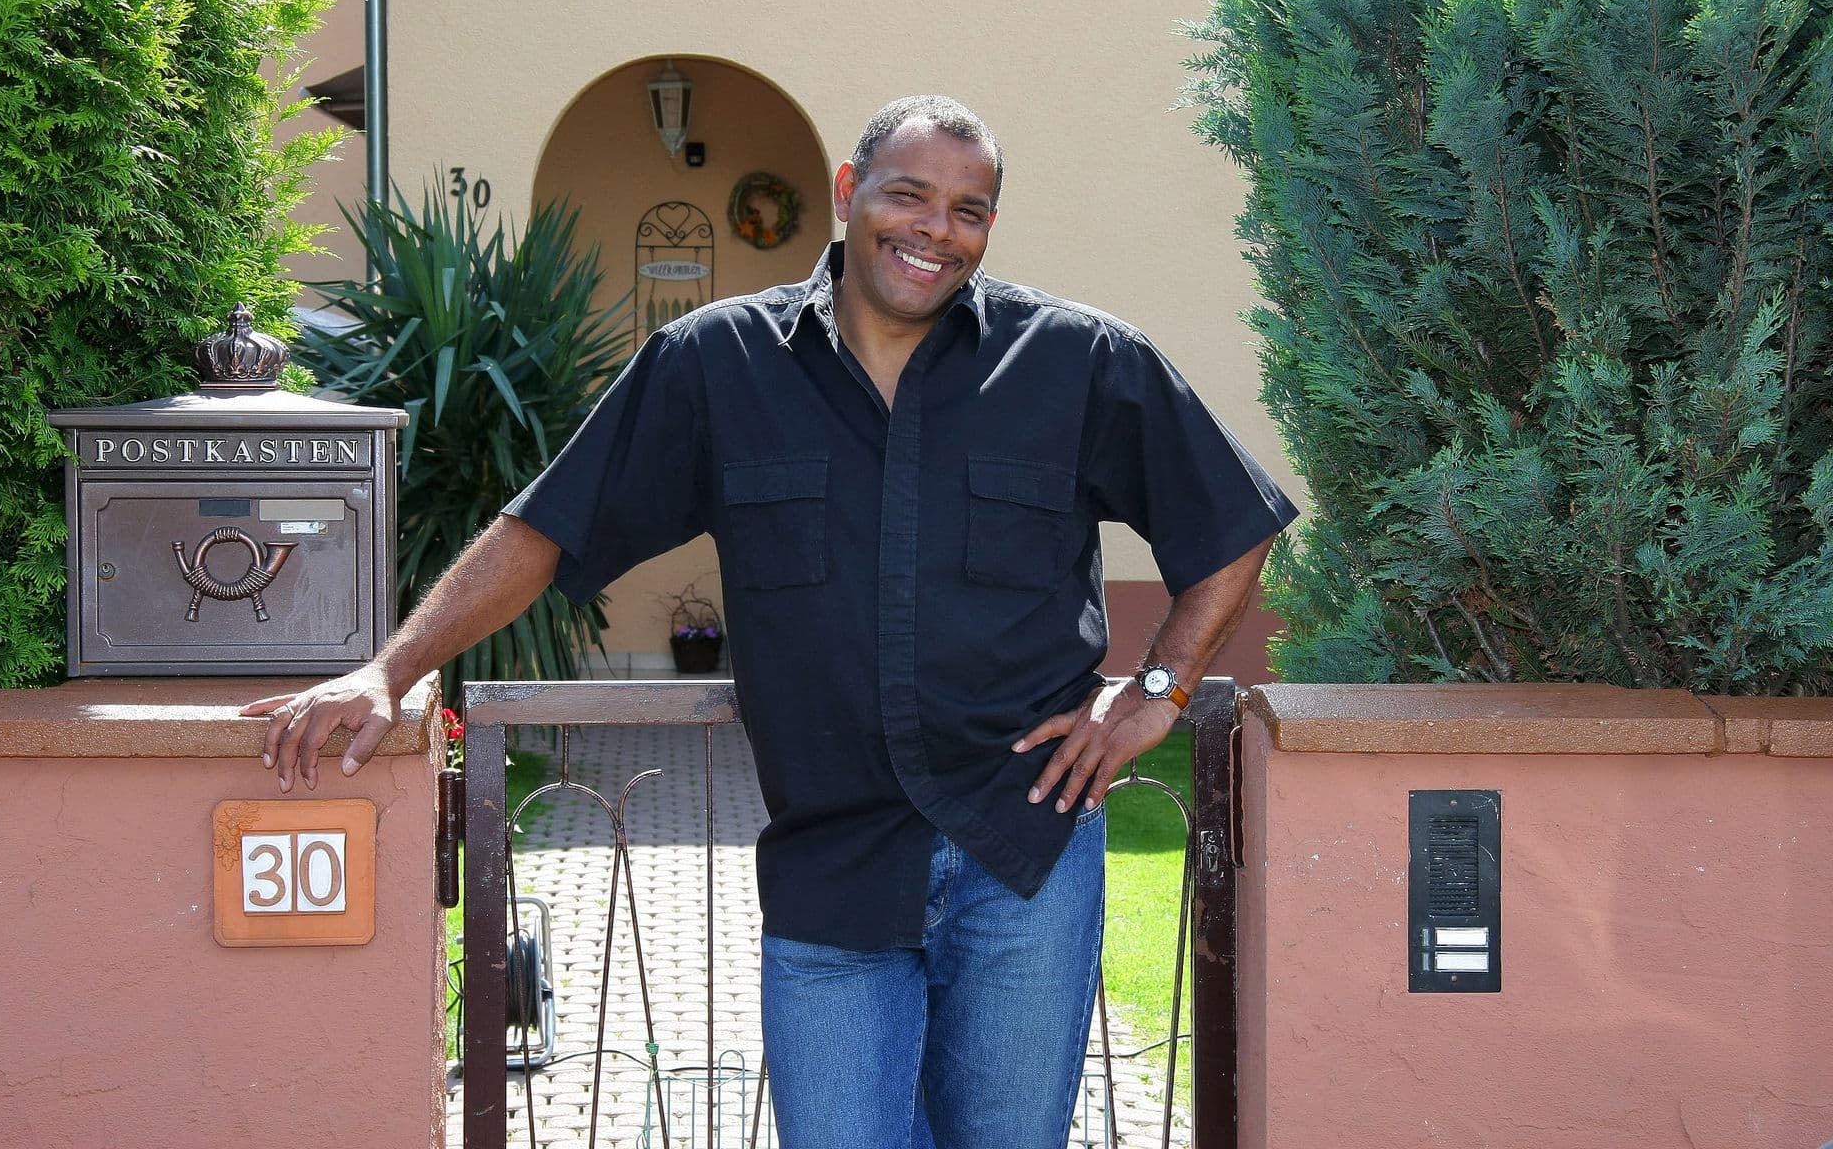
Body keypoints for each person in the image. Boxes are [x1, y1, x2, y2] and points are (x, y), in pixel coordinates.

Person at [244, 95, 1296, 1148]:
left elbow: (1232, 525)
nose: (937, 230)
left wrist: (1155, 691)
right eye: (910, 195)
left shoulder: (1077, 361)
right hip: (832, 867)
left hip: (1025, 854)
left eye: (969, 211)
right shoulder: (718, 365)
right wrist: (389, 669)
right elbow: (548, 528)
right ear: (847, 191)